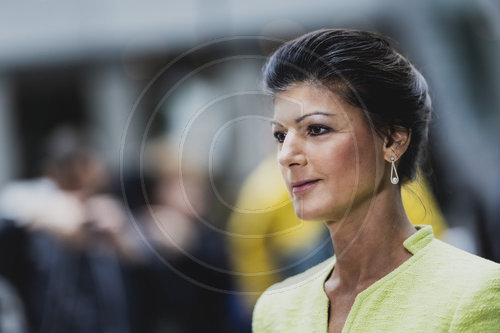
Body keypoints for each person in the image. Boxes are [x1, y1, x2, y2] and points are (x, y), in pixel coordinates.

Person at [252, 29, 500, 332]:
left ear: (393, 141)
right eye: (280, 135)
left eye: (316, 129)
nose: (286, 154)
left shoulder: (475, 293)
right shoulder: (277, 309)